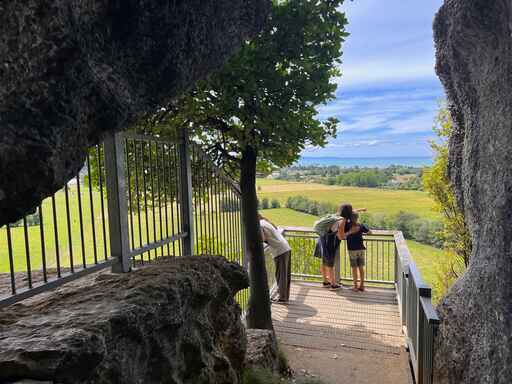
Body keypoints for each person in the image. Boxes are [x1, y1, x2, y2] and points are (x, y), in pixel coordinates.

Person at [315, 203, 363, 290]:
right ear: (348, 213)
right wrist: (350, 232)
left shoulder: (336, 215)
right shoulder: (342, 221)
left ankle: (325, 281)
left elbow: (350, 211)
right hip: (329, 242)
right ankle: (333, 284)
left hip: (322, 238)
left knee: (324, 261)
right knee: (330, 263)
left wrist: (360, 209)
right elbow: (341, 236)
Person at [259, 214, 292, 303]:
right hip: (285, 247)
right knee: (285, 274)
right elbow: (275, 230)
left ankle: (282, 298)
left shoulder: (259, 225)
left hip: (279, 250)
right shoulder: (265, 222)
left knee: (280, 274)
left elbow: (262, 238)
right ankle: (284, 295)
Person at [346, 212, 371, 292]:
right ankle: (362, 285)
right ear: (357, 218)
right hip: (361, 249)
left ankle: (355, 286)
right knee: (361, 267)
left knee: (354, 268)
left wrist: (350, 232)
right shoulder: (360, 225)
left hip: (352, 250)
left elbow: (342, 235)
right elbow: (369, 232)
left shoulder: (347, 225)